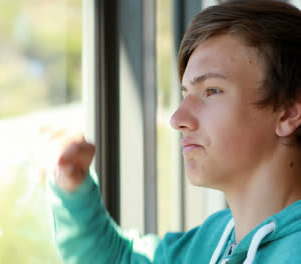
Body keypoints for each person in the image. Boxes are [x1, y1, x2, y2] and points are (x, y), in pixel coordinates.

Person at [44, 1, 301, 263]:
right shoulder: (211, 241)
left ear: (290, 111)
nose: (178, 119)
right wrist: (74, 189)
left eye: (211, 91)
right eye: (186, 94)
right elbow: (121, 258)